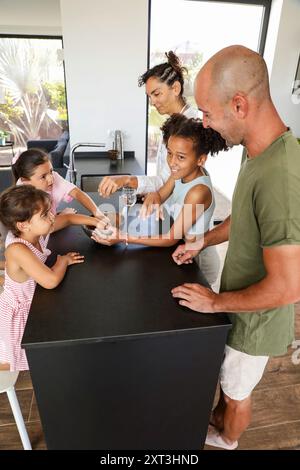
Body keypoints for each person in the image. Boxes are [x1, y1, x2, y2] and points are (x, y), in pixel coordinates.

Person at [171, 45, 300, 450]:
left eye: (208, 113)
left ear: (240, 104)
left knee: (237, 390)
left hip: (257, 322)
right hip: (239, 304)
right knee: (228, 383)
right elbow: (243, 218)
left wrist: (214, 302)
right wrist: (201, 240)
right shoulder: (257, 152)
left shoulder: (281, 177)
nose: (206, 124)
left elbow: (288, 286)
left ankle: (227, 439)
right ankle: (221, 419)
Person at [92, 114, 227, 274]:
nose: (172, 162)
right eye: (170, 153)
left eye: (181, 157)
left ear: (201, 160)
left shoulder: (198, 191)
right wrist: (154, 196)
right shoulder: (180, 172)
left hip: (197, 260)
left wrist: (123, 237)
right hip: (182, 249)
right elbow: (161, 194)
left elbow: (171, 238)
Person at [0, 185, 106, 372]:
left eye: (50, 211)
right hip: (20, 310)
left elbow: (67, 219)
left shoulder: (37, 231)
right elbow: (50, 281)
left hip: (34, 300)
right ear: (23, 225)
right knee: (13, 359)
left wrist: (96, 221)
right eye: (45, 215)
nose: (52, 217)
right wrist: (62, 261)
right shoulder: (17, 249)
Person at [98, 51, 199, 202]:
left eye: (157, 94)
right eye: (149, 96)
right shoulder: (174, 123)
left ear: (176, 89)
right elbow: (163, 178)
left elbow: (164, 181)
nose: (152, 102)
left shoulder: (190, 126)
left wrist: (126, 180)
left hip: (187, 210)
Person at [11, 148, 109, 219]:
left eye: (51, 171)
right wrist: (66, 217)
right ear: (25, 181)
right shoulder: (23, 199)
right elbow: (47, 227)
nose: (51, 179)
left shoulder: (52, 177)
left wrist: (97, 213)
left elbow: (77, 193)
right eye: (43, 177)